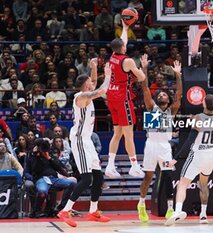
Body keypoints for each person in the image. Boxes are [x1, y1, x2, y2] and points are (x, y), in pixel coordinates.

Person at [57, 60, 111, 227]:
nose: (92, 83)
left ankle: (93, 211)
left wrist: (94, 68)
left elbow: (95, 84)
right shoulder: (81, 97)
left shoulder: (86, 93)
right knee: (87, 179)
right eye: (89, 81)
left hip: (87, 140)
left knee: (98, 176)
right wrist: (108, 76)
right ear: (84, 84)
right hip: (80, 140)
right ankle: (65, 210)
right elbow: (101, 90)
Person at [165, 94, 213, 226]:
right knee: (203, 184)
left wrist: (176, 157)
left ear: (204, 104)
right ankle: (203, 215)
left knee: (182, 184)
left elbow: (189, 141)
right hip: (211, 155)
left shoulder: (198, 118)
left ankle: (178, 211)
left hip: (198, 154)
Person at [137, 59, 182, 223]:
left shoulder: (172, 111)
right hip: (151, 145)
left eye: (164, 94)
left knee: (168, 175)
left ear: (168, 100)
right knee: (148, 177)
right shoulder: (151, 107)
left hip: (165, 147)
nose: (162, 94)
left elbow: (179, 95)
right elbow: (145, 88)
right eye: (160, 94)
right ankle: (141, 204)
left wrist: (178, 76)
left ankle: (170, 209)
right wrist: (144, 69)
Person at [105, 20, 147, 178]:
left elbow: (122, 41)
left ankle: (109, 166)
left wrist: (125, 27)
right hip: (123, 98)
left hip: (112, 97)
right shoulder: (128, 61)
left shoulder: (113, 56)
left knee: (117, 134)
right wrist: (141, 67)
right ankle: (134, 166)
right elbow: (141, 77)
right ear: (123, 47)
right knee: (129, 135)